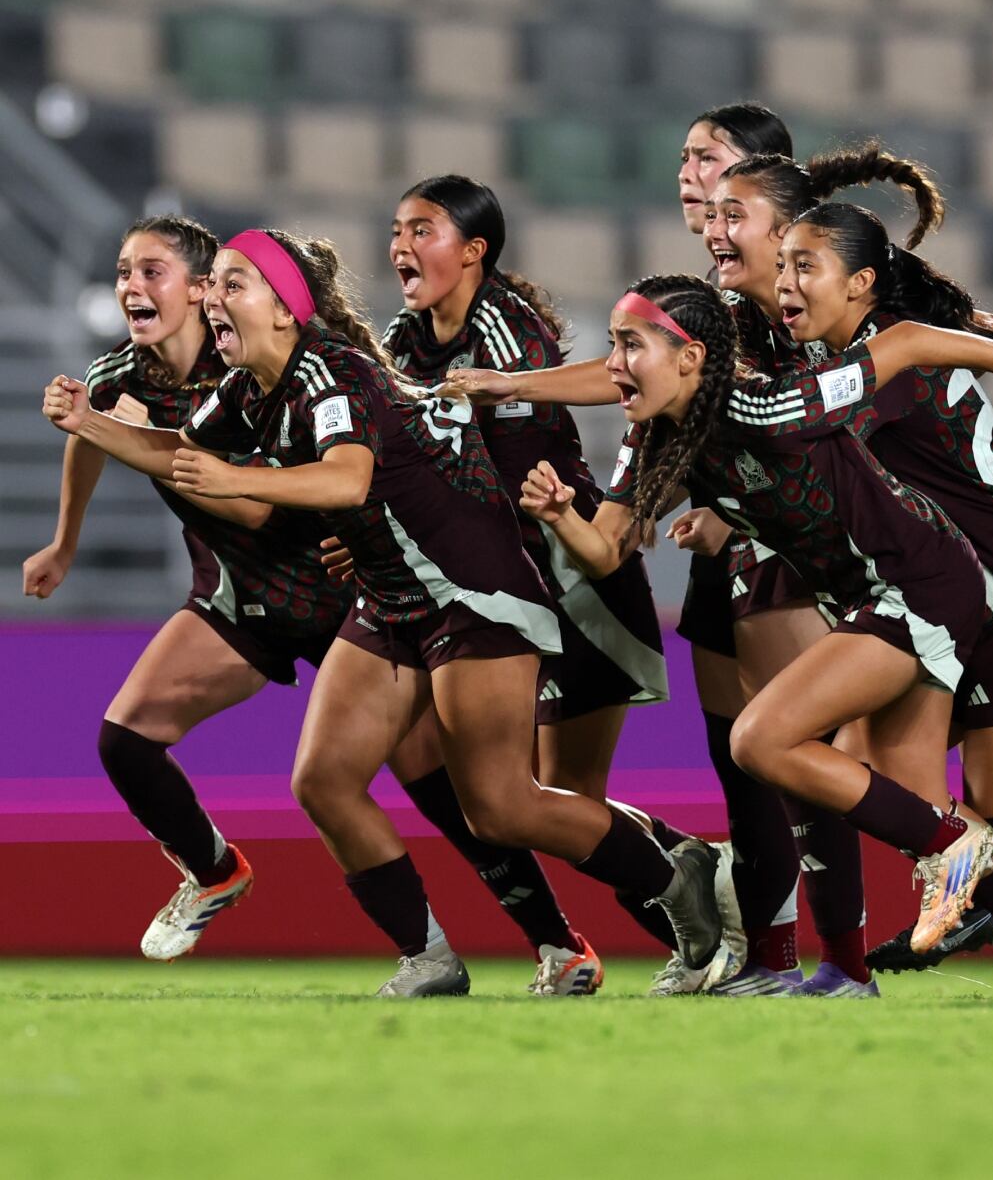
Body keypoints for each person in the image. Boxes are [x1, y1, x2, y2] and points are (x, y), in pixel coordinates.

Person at [42, 230, 730, 996]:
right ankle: (428, 958)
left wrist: (239, 480)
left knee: (501, 807)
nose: (211, 299)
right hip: (391, 598)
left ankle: (679, 874)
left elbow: (345, 479)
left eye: (231, 285)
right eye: (214, 286)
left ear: (283, 308)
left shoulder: (331, 371)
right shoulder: (248, 389)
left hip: (472, 593)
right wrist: (89, 423)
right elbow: (177, 451)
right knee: (324, 780)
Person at [515, 272, 993, 999]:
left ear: (690, 358)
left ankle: (956, 855)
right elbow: (605, 549)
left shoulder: (773, 401)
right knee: (901, 794)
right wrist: (561, 516)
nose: (614, 362)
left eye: (631, 344)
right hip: (877, 593)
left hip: (919, 580)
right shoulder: (660, 436)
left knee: (763, 741)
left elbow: (904, 342)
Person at [374, 174, 744, 991]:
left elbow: (584, 405)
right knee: (543, 802)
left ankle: (713, 923)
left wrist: (507, 390)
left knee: (558, 800)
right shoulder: (405, 339)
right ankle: (704, 903)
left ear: (474, 250)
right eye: (397, 228)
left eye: (422, 228)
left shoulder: (508, 335)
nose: (400, 243)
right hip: (496, 595)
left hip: (571, 584)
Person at [24, 215, 350, 961]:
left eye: (151, 271)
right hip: (239, 596)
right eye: (122, 272)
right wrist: (65, 541)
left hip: (340, 586)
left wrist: (123, 437)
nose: (131, 287)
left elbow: (257, 502)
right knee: (125, 740)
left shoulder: (251, 363)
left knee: (452, 783)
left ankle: (556, 933)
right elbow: (91, 433)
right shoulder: (119, 375)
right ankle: (214, 873)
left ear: (203, 289)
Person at [774, 197, 993, 985]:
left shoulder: (884, 362)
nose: (786, 283)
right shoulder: (890, 345)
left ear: (862, 281)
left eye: (805, 265)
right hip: (982, 597)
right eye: (783, 266)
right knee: (923, 791)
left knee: (975, 809)